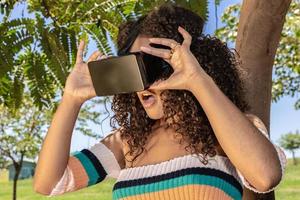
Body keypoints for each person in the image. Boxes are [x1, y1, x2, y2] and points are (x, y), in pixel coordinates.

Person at [33, 3, 287, 200]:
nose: (143, 82)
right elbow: (49, 184)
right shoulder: (128, 142)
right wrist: (71, 100)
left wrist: (197, 80)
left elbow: (265, 176)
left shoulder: (228, 131)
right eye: (131, 68)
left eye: (152, 64)